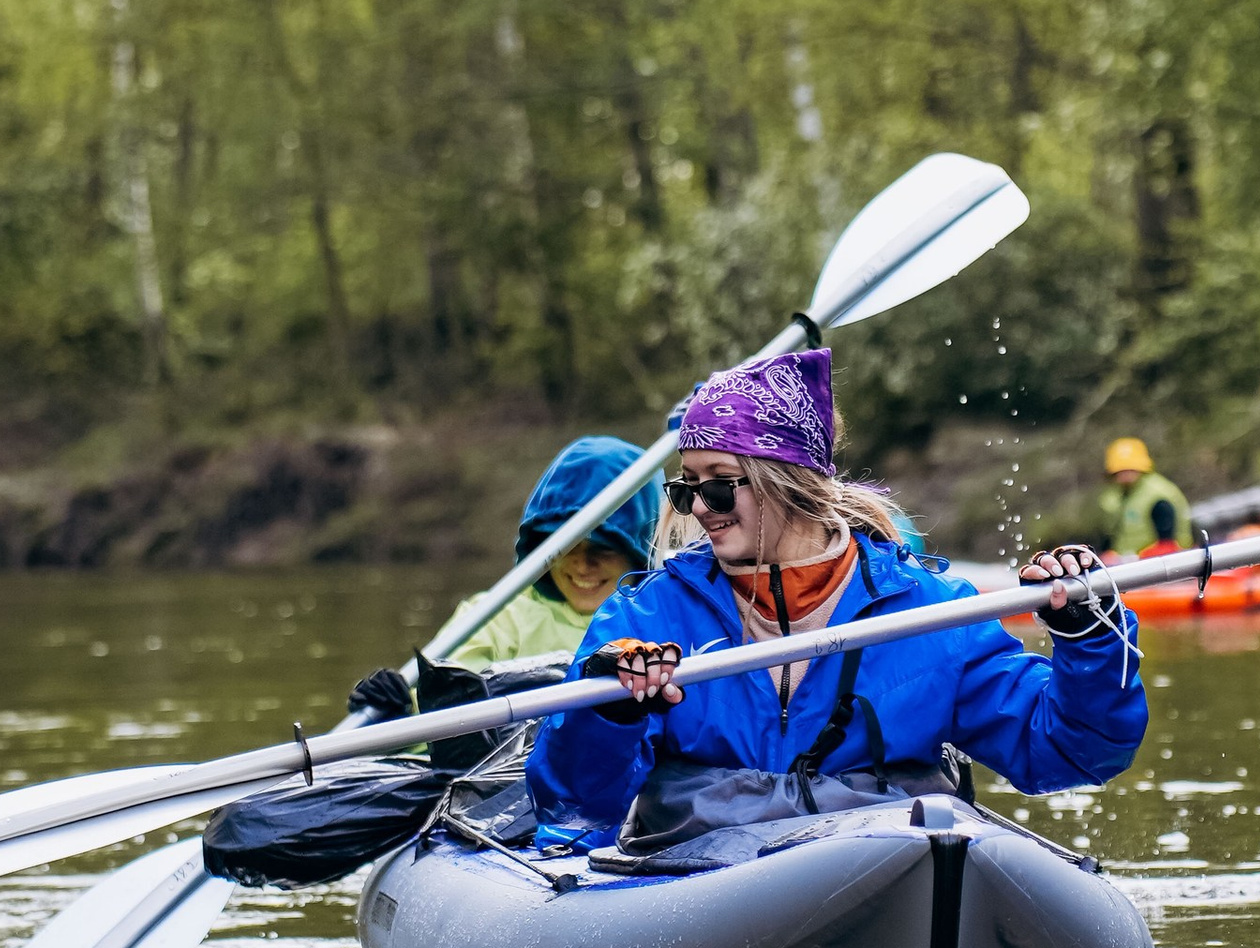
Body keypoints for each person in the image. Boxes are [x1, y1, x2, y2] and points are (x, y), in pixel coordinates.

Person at [525, 348, 1144, 853]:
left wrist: (1091, 635)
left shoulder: (928, 611)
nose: (697, 512)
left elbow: (1068, 750)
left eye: (717, 487)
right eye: (686, 490)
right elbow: (575, 803)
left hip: (878, 876)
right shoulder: (650, 616)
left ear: (784, 482)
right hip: (699, 887)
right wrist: (607, 709)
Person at [434, 435, 661, 666]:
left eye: (603, 549)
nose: (582, 566)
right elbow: (438, 695)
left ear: (641, 554)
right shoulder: (492, 619)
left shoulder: (670, 615)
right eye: (566, 547)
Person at [1100, 435, 1190, 557]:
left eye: (1129, 470)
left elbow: (1167, 544)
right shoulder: (1118, 496)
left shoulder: (1157, 495)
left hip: (1164, 563)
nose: (1124, 475)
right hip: (1131, 564)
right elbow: (1114, 535)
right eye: (1120, 471)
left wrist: (1137, 557)